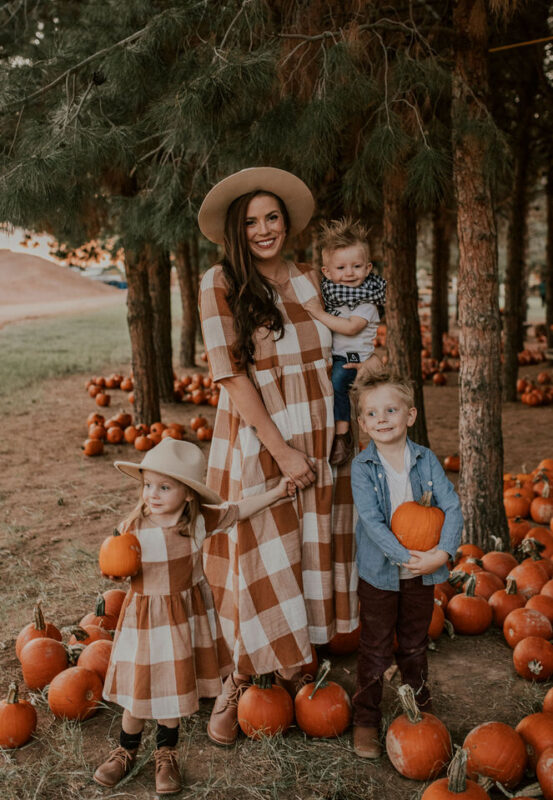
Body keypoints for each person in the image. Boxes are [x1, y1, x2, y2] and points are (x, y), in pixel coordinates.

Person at [197, 167, 359, 746]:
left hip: (318, 429)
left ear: (286, 222)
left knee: (306, 544)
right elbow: (230, 376)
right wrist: (282, 450)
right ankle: (238, 679)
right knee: (256, 549)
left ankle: (294, 665)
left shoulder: (315, 280)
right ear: (236, 233)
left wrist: (345, 421)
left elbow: (349, 353)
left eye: (272, 217)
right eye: (251, 222)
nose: (264, 230)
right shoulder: (218, 282)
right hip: (259, 434)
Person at [94, 438, 295, 793]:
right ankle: (125, 751)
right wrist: (114, 572)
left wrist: (278, 492)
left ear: (188, 493)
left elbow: (239, 510)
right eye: (148, 485)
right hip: (144, 622)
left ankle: (165, 754)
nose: (152, 494)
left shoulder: (199, 522)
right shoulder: (133, 526)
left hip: (180, 623)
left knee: (170, 692)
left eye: (164, 487)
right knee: (137, 695)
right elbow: (117, 562)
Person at [349, 363, 463, 759]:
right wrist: (407, 557)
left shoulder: (426, 460)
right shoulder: (362, 468)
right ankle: (365, 718)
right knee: (376, 647)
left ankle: (419, 709)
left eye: (391, 410)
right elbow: (372, 523)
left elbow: (452, 505)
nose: (382, 419)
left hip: (424, 573)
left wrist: (441, 555)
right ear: (362, 423)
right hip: (380, 574)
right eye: (372, 413)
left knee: (414, 644)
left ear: (410, 415)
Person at [304, 218, 386, 466]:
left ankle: (342, 435)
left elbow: (351, 328)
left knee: (338, 383)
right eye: (341, 268)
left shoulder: (367, 301)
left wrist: (318, 313)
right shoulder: (334, 297)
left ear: (368, 267)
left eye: (357, 266)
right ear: (327, 272)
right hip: (335, 354)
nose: (349, 273)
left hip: (353, 358)